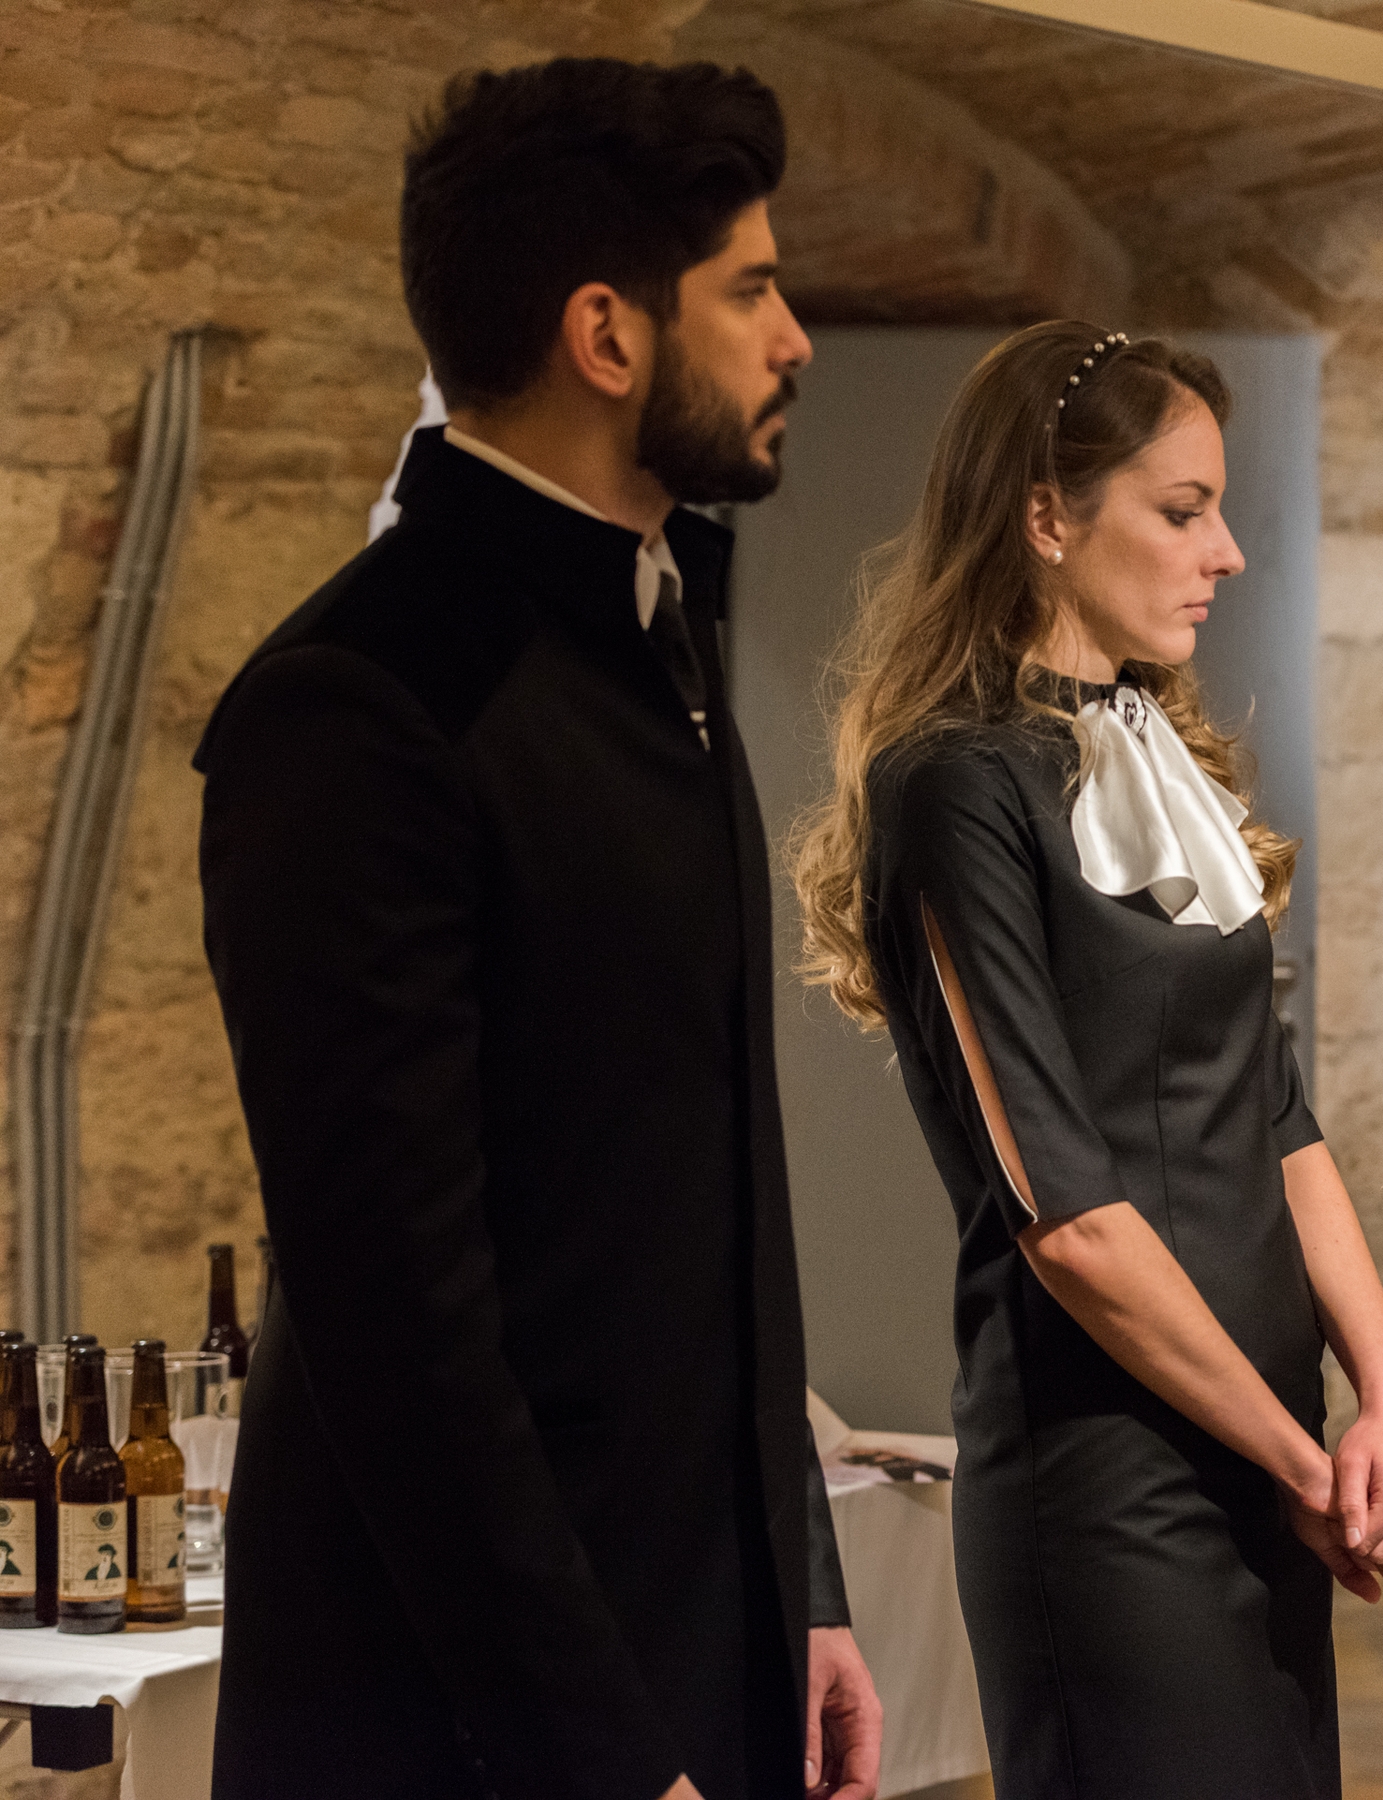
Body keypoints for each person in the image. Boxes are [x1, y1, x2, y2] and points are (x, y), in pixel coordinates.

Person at [196, 59, 879, 1800]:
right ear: (606, 333)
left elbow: (714, 1198)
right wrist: (598, 1755)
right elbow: (395, 1318)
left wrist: (798, 1589)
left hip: (694, 1631)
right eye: (750, 290)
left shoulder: (656, 633)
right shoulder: (364, 699)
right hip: (472, 1713)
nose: (794, 338)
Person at [790, 320, 1383, 1800]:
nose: (1226, 553)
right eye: (1182, 509)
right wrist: (1299, 1462)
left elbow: (1279, 1121)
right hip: (1111, 1483)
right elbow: (1067, 1217)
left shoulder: (1159, 751)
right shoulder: (953, 785)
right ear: (1046, 515)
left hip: (1267, 1448)